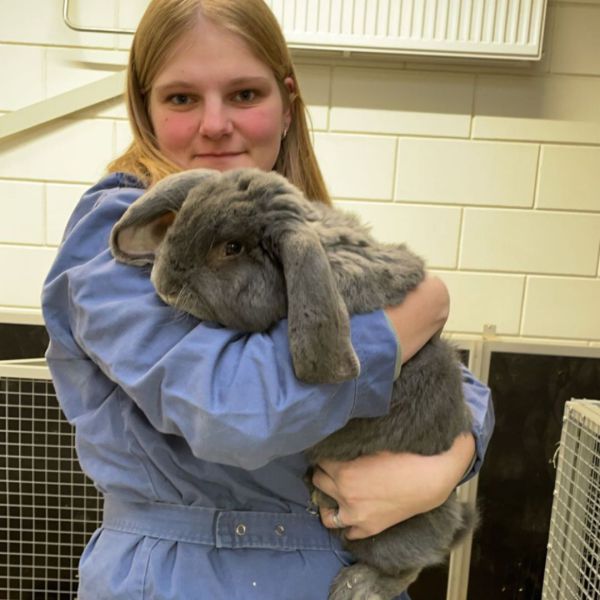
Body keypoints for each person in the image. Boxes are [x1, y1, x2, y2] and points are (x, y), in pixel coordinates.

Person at [41, 0, 494, 598]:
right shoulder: (118, 238)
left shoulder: (294, 226)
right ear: (144, 111)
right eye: (181, 98)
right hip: (188, 575)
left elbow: (453, 386)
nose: (214, 123)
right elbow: (231, 410)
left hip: (338, 569)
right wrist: (409, 315)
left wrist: (445, 466)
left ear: (286, 105)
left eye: (245, 94)